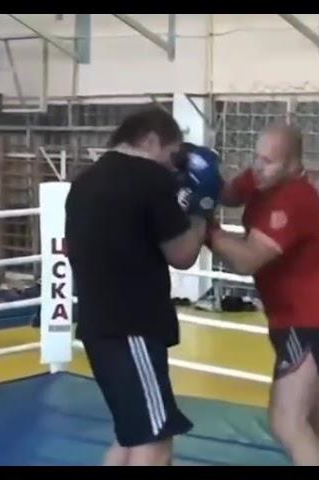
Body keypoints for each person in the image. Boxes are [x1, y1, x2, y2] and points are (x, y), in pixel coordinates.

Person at [206, 124, 319, 466]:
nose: (257, 166)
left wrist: (205, 229)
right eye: (257, 157)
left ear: (292, 164)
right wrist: (195, 175)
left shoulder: (295, 198)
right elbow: (227, 194)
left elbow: (247, 259)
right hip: (313, 321)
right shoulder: (262, 177)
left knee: (287, 422)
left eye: (268, 161)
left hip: (308, 323)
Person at [65, 106, 222, 466]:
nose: (173, 166)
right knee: (154, 443)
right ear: (151, 140)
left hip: (98, 326)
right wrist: (202, 208)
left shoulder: (84, 181)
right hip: (131, 327)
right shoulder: (150, 178)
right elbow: (183, 254)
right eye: (171, 155)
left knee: (130, 438)